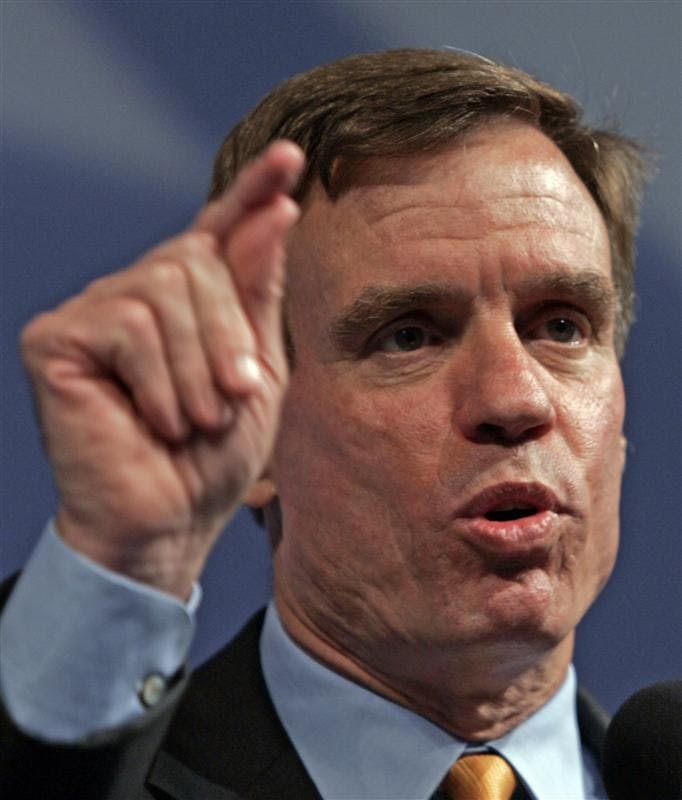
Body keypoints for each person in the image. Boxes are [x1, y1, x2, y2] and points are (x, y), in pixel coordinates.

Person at [0, 49, 649, 799]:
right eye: (410, 335)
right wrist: (119, 566)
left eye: (563, 327)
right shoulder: (82, 777)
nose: (517, 400)